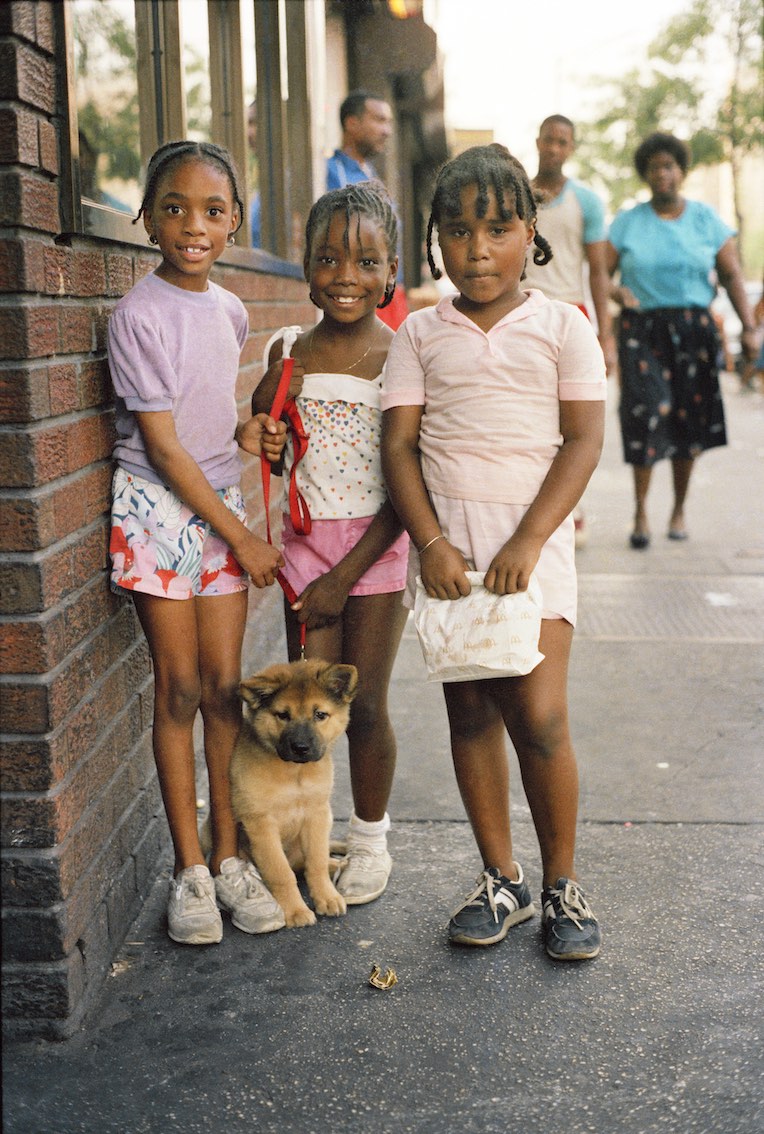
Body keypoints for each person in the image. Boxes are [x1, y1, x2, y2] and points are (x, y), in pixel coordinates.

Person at [381, 144, 606, 962]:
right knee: (471, 715)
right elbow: (399, 449)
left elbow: (583, 442)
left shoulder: (561, 327)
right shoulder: (418, 335)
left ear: (531, 233)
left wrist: (531, 537)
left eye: (499, 230)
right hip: (450, 558)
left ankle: (562, 886)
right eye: (459, 231)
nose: (478, 250)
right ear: (435, 240)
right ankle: (501, 878)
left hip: (531, 551)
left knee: (539, 717)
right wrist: (432, 543)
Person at [108, 140, 289, 946]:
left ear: (234, 223)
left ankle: (227, 858)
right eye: (174, 207)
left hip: (217, 504)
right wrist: (245, 536)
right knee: (179, 688)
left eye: (213, 211)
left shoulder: (231, 309)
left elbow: (211, 423)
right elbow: (167, 448)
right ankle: (187, 871)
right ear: (146, 218)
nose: (193, 225)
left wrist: (251, 431)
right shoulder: (136, 315)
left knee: (224, 689)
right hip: (158, 510)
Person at [251, 181, 409, 906]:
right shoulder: (289, 349)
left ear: (392, 270)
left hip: (375, 546)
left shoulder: (402, 357)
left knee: (364, 703)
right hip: (305, 550)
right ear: (306, 266)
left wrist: (345, 576)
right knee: (305, 707)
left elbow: (408, 480)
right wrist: (269, 436)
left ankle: (370, 837)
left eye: (366, 261)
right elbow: (267, 429)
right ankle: (299, 838)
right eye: (329, 258)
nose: (347, 276)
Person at [606, 132, 759, 548]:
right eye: (654, 167)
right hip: (642, 329)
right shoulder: (628, 223)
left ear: (681, 171)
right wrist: (617, 292)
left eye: (669, 166)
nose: (662, 174)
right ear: (646, 173)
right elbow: (602, 274)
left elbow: (730, 276)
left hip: (694, 329)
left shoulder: (706, 220)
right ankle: (639, 511)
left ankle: (678, 508)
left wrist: (748, 326)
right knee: (647, 411)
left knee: (688, 421)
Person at [522, 114, 616, 549]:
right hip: (521, 313)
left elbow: (598, 272)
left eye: (563, 142)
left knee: (572, 418)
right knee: (527, 410)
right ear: (538, 141)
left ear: (571, 148)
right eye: (549, 140)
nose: (554, 148)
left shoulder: (587, 202)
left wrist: (605, 335)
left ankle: (570, 508)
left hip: (569, 315)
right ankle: (528, 499)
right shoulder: (519, 193)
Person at [326, 90, 408, 330]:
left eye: (388, 122)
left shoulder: (372, 175)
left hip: (391, 295)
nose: (387, 131)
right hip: (355, 296)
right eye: (379, 120)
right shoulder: (329, 172)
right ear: (352, 123)